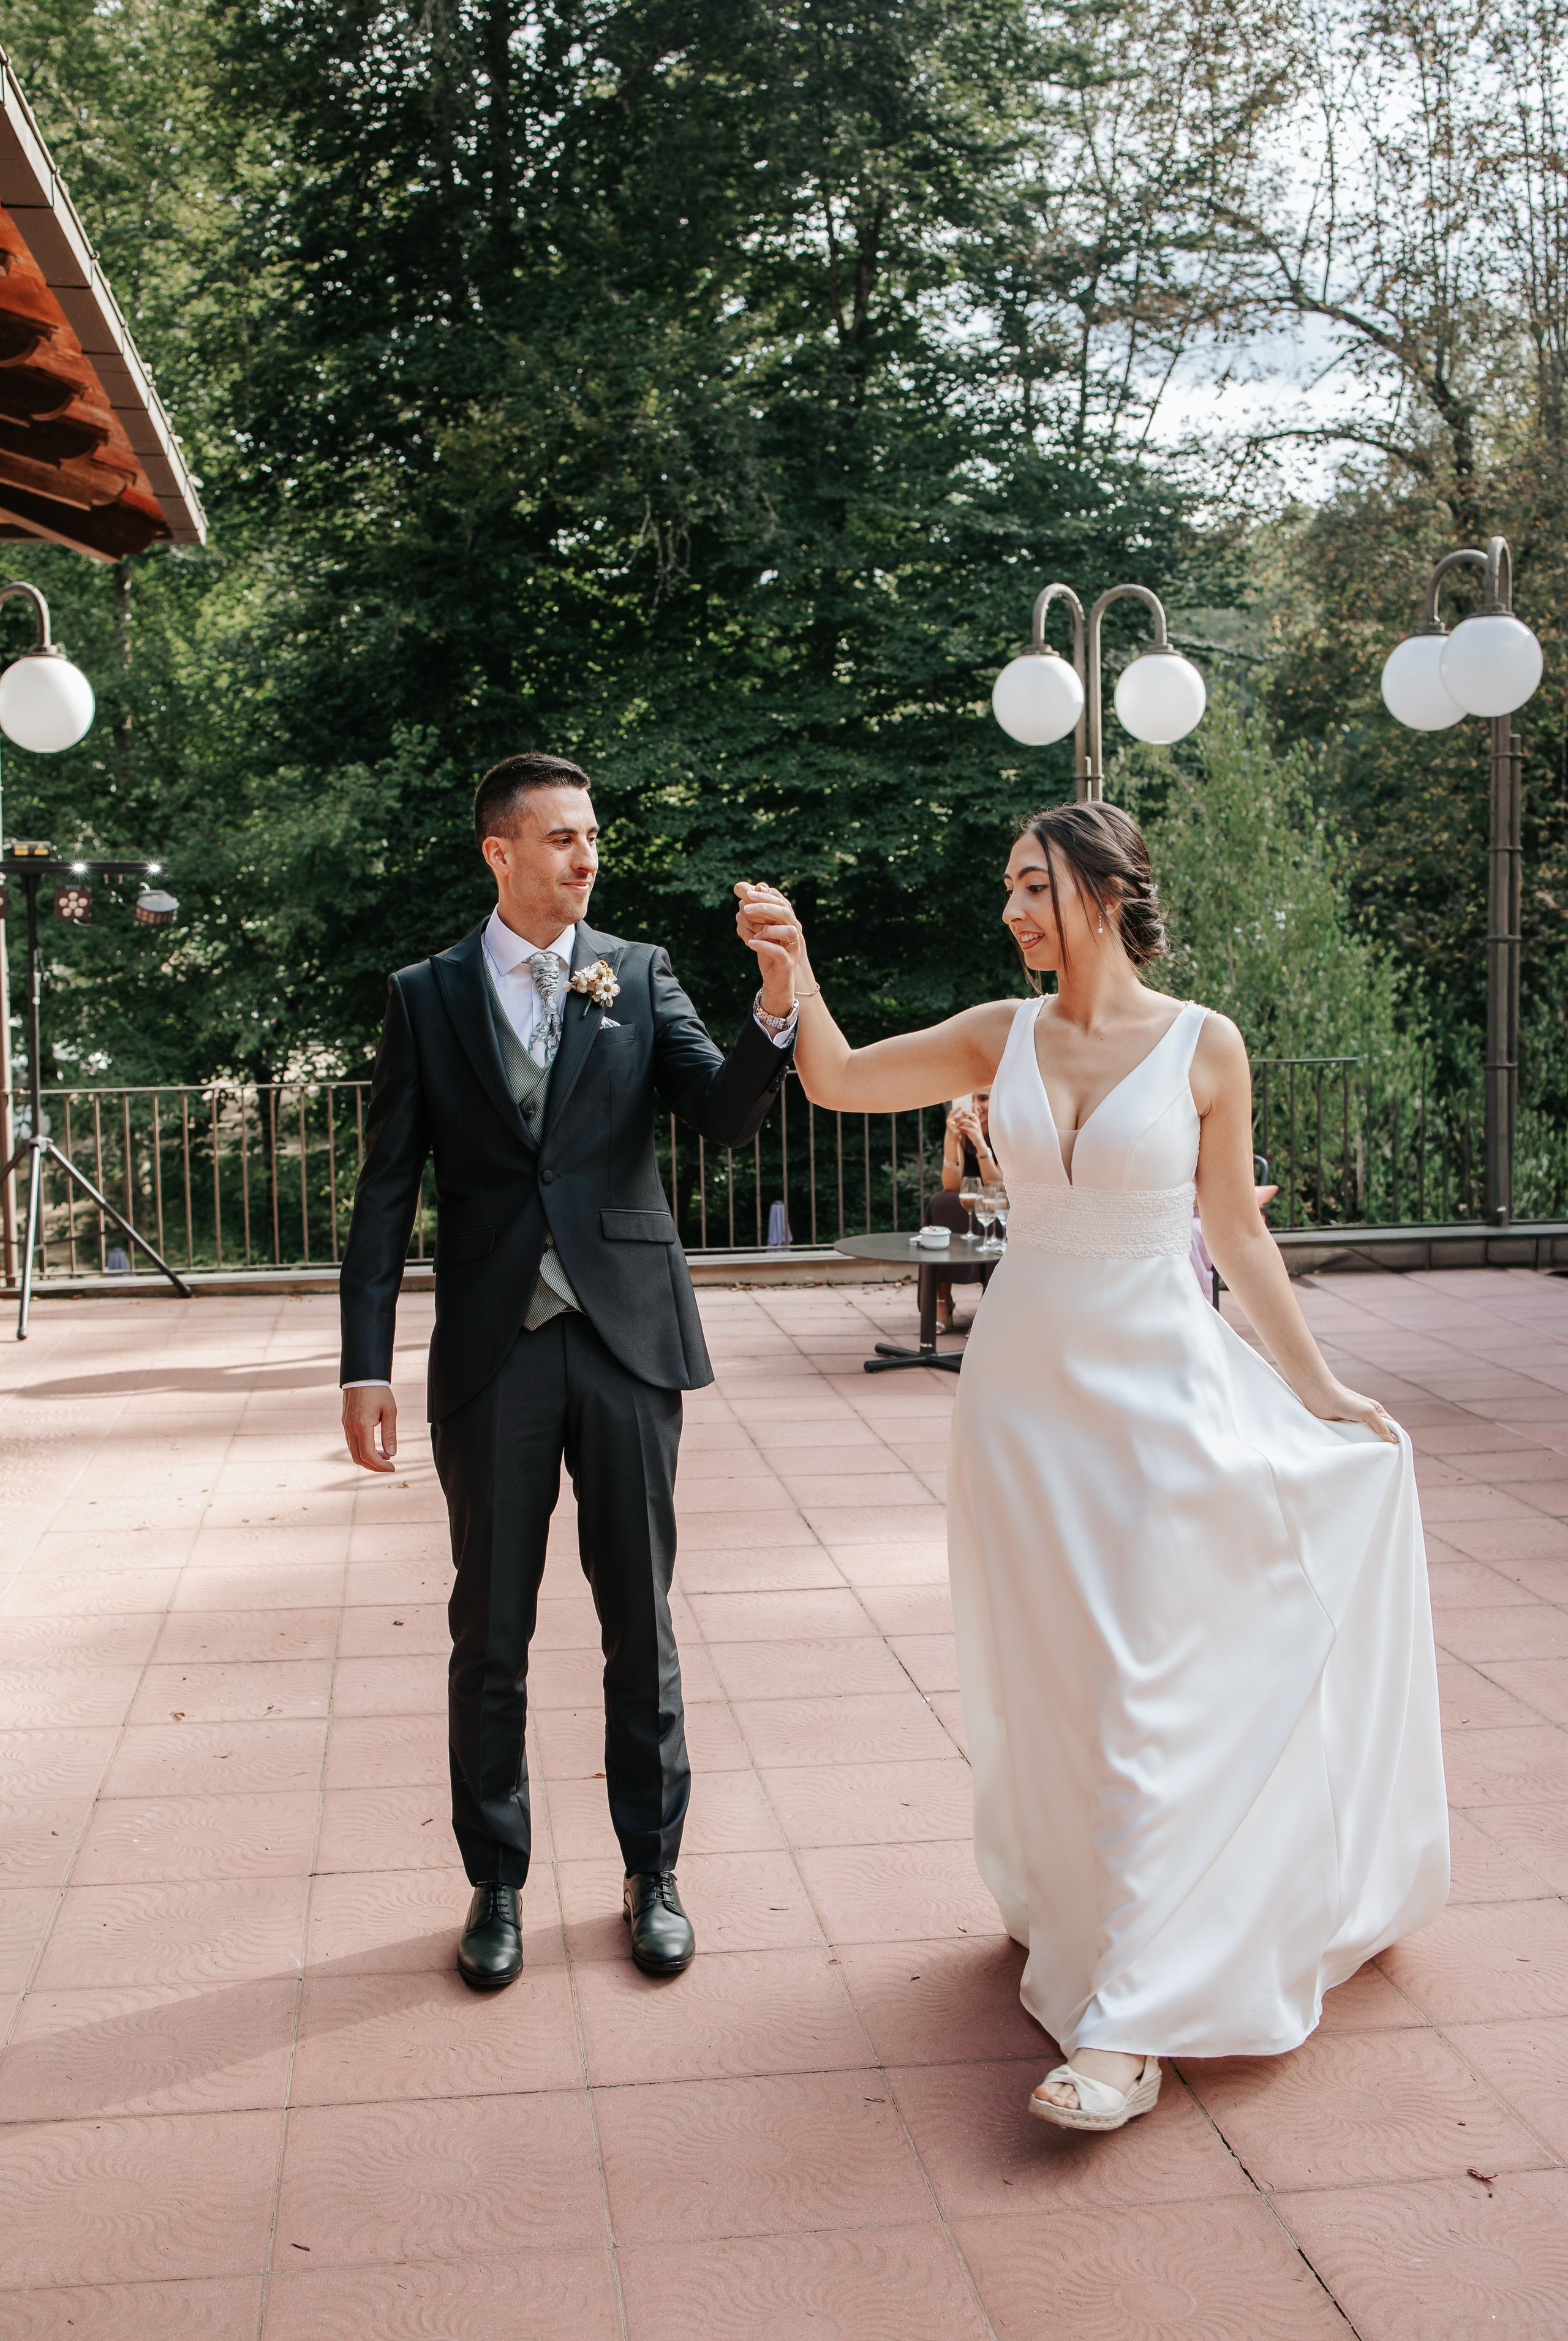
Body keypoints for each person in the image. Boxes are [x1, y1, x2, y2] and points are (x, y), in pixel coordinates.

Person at [735, 803, 1447, 2132]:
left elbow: (1232, 1234)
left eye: (1031, 887)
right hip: (1017, 1401)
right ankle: (1080, 1911)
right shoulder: (994, 1034)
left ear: (1106, 892)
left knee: (1142, 1681)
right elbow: (831, 1079)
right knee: (1053, 1676)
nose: (1009, 911)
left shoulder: (1201, 1045)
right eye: (1004, 888)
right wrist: (793, 977)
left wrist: (1320, 1389)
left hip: (1159, 1399)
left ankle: (1127, 2023)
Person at [339, 753, 796, 1992]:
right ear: (498, 851)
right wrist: (363, 1362)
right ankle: (495, 1885)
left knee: (638, 1620)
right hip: (493, 1348)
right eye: (558, 838)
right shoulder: (427, 995)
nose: (585, 856)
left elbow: (721, 1115)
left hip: (626, 1339)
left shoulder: (638, 973)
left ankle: (654, 1873)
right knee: (489, 1630)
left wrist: (772, 1004)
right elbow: (387, 1191)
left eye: (591, 836)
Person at [935, 1093, 1003, 1329]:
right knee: (941, 1202)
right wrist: (953, 1140)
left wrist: (980, 1143)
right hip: (969, 1201)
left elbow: (999, 1188)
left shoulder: (1005, 1129)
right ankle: (942, 1301)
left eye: (983, 1099)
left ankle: (988, 1307)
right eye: (970, 1100)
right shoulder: (957, 1129)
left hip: (999, 1204)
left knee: (994, 1208)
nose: (976, 1107)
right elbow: (951, 1185)